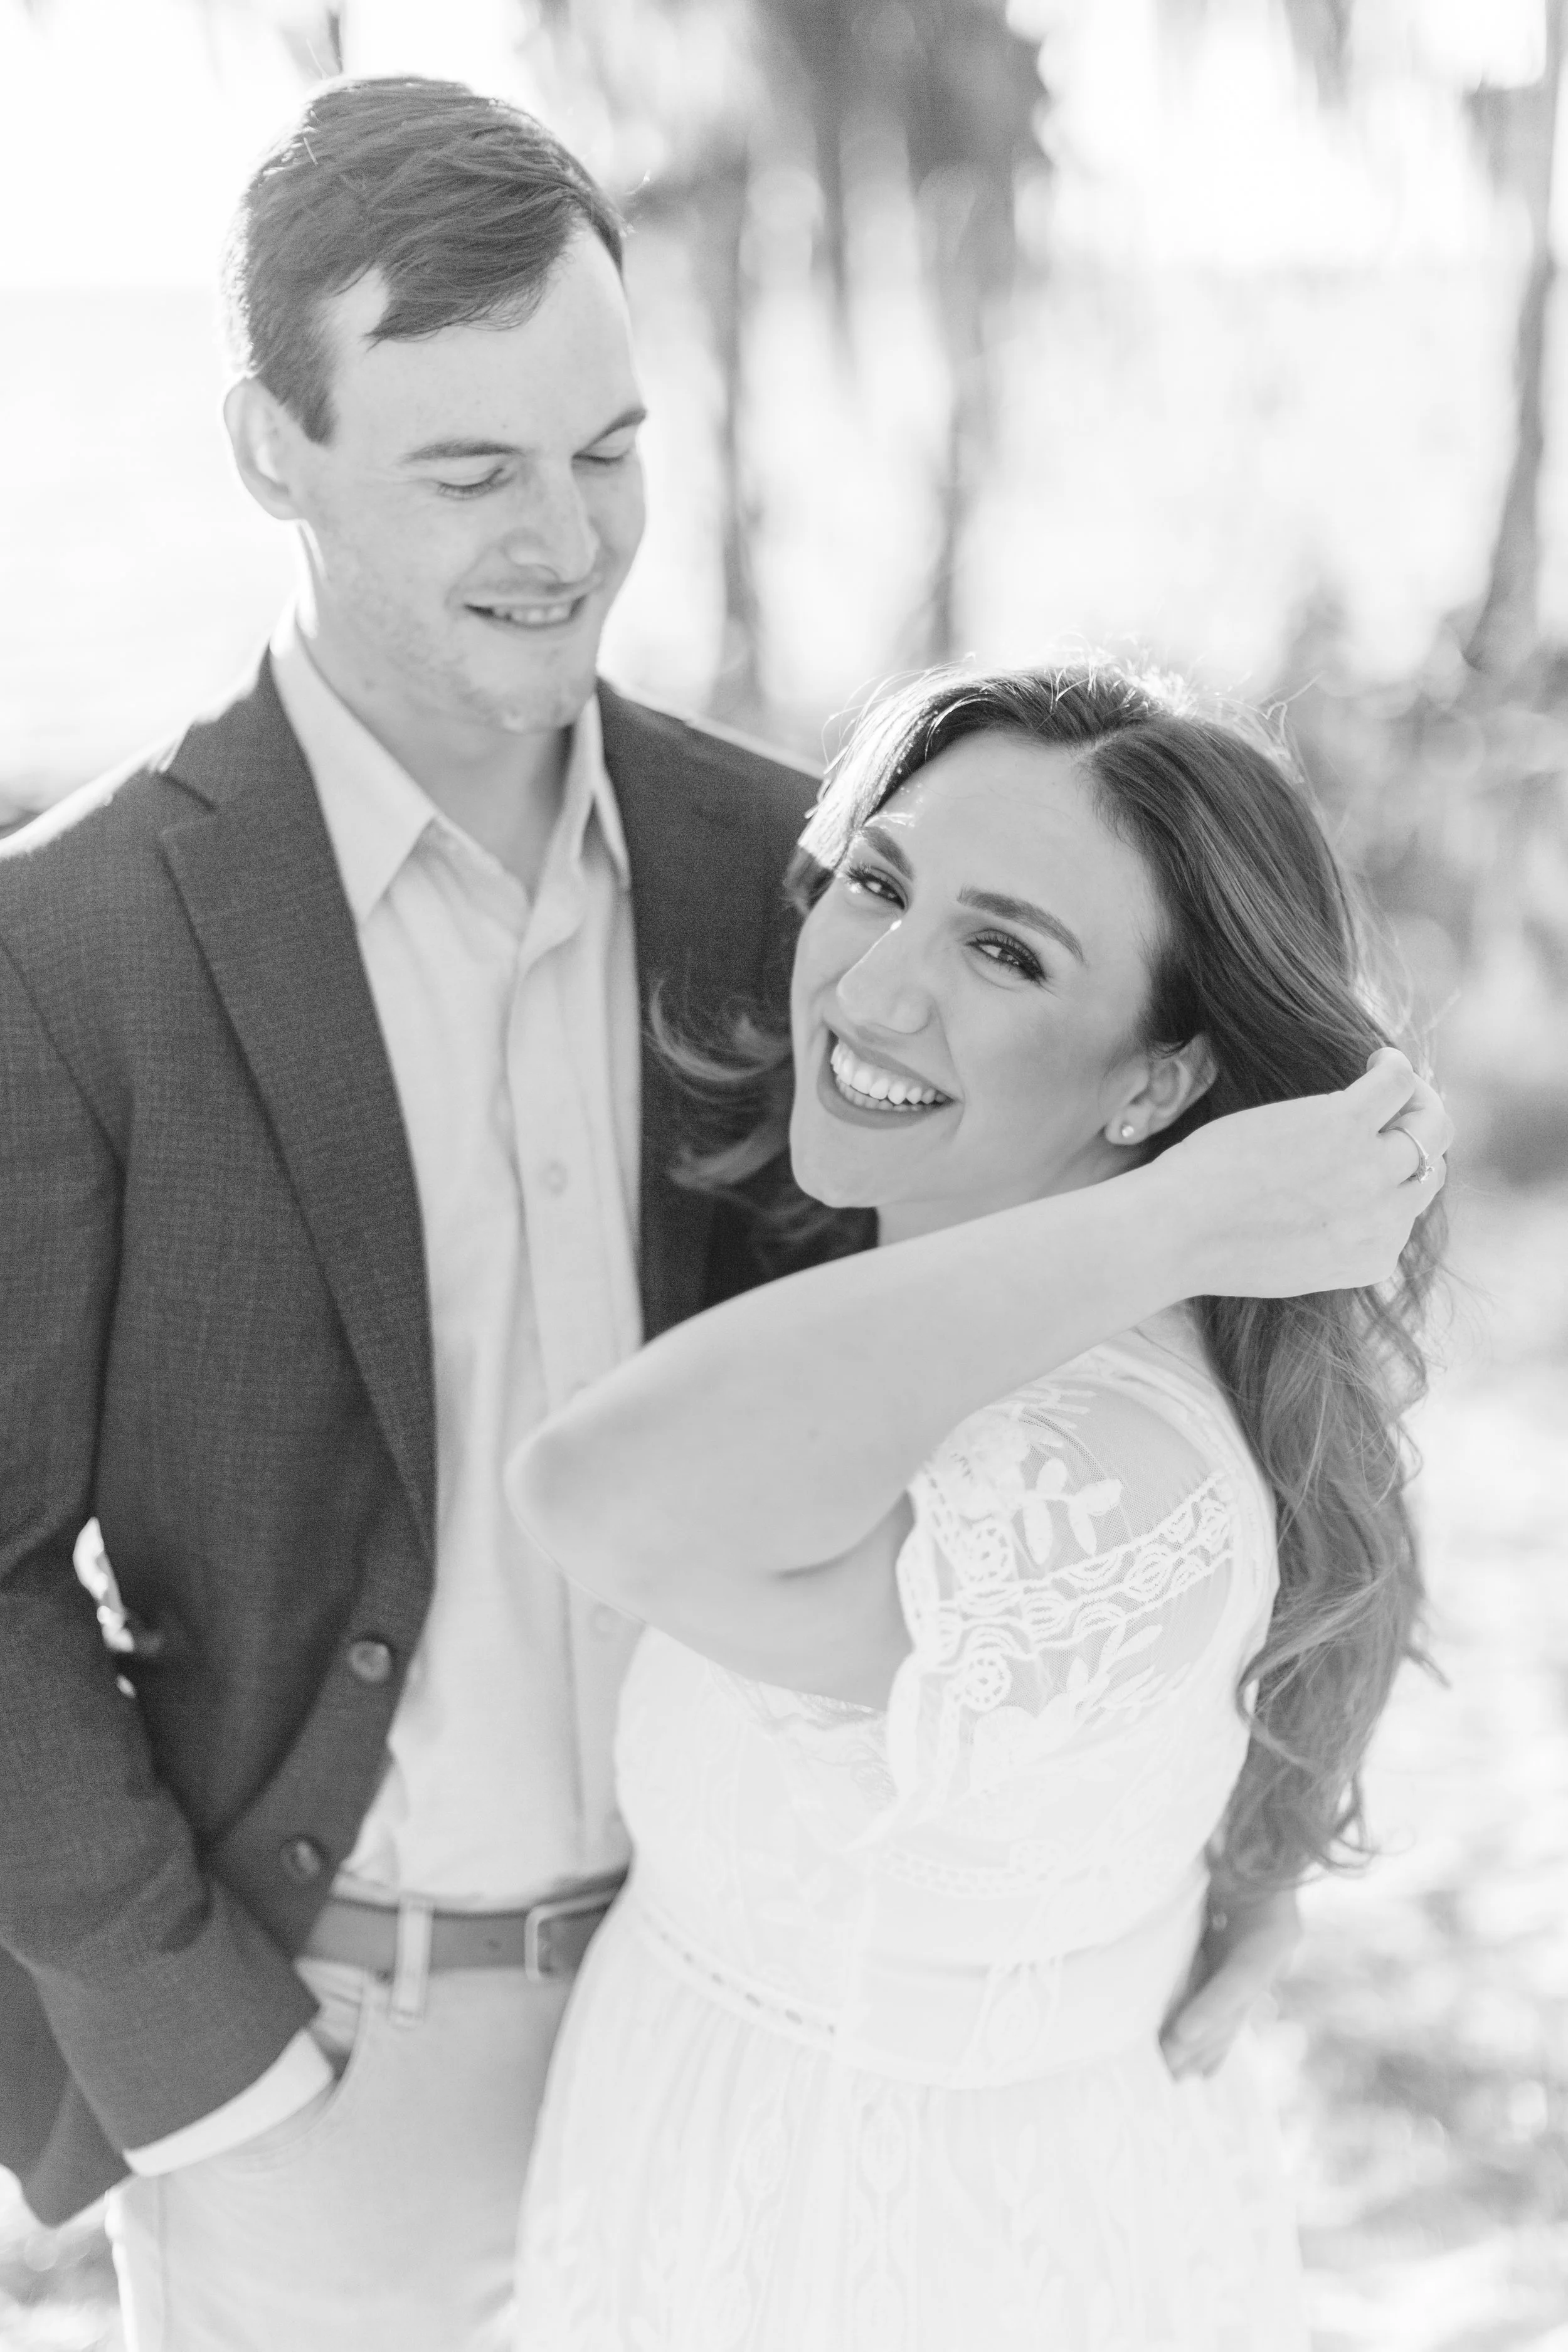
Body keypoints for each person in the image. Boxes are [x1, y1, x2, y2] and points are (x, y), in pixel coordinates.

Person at [0, 72, 1412, 2352]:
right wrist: (202, 2064)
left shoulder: (815, 877)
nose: (561, 534)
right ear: (273, 448)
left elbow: (1255, 1379)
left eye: (608, 448)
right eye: (469, 468)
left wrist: (1264, 1842)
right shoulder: (70, 949)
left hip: (765, 1979)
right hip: (332, 2060)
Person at [508, 664, 1451, 2349]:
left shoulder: (1104, 1463)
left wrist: (1174, 1222)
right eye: (877, 882)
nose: (872, 988)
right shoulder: (933, 1290)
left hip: (899, 2253)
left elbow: (593, 1495)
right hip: (701, 2159)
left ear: (1158, 1087)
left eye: (1002, 951)